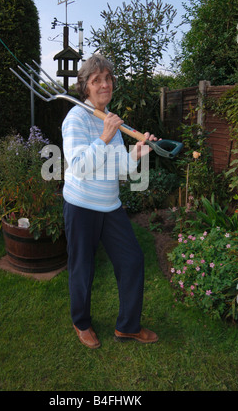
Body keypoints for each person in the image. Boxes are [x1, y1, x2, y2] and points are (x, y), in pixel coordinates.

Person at [62, 54, 159, 349]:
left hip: (110, 205)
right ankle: (81, 323)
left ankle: (127, 326)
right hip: (81, 206)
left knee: (132, 260)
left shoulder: (112, 120)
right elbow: (78, 166)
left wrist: (136, 155)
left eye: (108, 79)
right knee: (83, 268)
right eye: (97, 80)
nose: (104, 84)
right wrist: (103, 138)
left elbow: (118, 169)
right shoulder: (76, 118)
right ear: (86, 87)